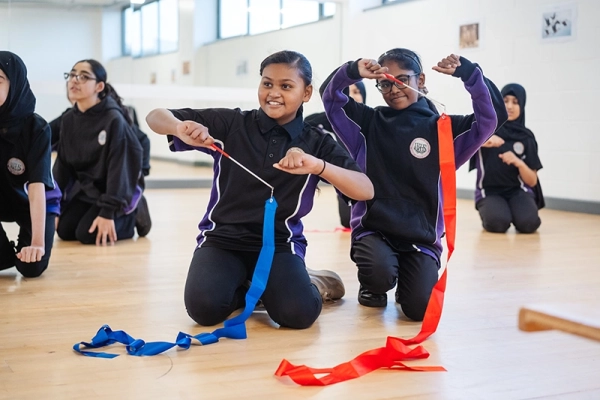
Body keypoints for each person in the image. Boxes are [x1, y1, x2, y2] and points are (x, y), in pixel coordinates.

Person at [146, 50, 374, 330]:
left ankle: (310, 281)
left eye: (286, 86)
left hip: (280, 244)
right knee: (204, 309)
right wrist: (179, 127)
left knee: (298, 314)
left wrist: (318, 166)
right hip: (222, 240)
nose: (273, 93)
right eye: (267, 83)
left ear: (306, 93)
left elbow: (365, 190)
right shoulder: (232, 124)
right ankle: (255, 285)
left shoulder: (318, 141)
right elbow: (155, 116)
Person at [320, 48, 508, 320]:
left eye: (401, 80)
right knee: (379, 272)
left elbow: (491, 118)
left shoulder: (444, 131)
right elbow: (331, 99)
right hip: (375, 231)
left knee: (418, 310)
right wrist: (351, 71)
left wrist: (470, 74)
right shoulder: (367, 122)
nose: (393, 88)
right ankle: (373, 286)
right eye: (385, 82)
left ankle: (408, 282)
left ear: (420, 80)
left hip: (421, 238)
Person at [52, 59, 145, 246]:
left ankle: (132, 217)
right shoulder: (69, 119)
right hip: (88, 191)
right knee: (65, 230)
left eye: (84, 77)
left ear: (99, 86)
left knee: (86, 235)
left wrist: (108, 212)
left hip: (117, 193)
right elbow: (62, 165)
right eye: (71, 75)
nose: (74, 80)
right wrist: (53, 207)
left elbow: (120, 169)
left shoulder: (113, 119)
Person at [0, 51, 61, 277]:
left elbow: (36, 189)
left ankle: (33, 239)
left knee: (31, 267)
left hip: (34, 201)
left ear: (14, 84)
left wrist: (36, 243)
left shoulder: (36, 128)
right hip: (3, 197)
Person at [469, 83, 543, 233]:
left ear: (522, 106)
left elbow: (532, 181)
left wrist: (519, 163)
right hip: (489, 191)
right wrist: (483, 141)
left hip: (517, 191)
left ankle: (515, 209)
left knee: (529, 224)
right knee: (498, 223)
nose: (509, 106)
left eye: (515, 102)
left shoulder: (526, 137)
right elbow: (458, 144)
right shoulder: (484, 130)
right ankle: (495, 210)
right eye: (505, 100)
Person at [305, 81, 367, 228]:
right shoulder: (335, 120)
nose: (353, 96)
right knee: (348, 221)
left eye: (357, 92)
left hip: (372, 178)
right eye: (348, 92)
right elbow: (307, 124)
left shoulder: (371, 117)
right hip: (348, 177)